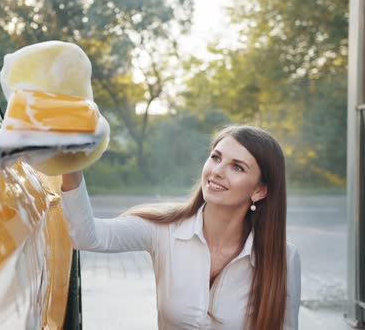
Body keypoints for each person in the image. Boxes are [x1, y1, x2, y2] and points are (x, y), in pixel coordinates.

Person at [60, 125, 301, 330]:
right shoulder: (163, 229)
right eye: (216, 157)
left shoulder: (284, 258)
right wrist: (71, 168)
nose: (217, 172)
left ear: (260, 190)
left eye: (237, 167)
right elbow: (86, 236)